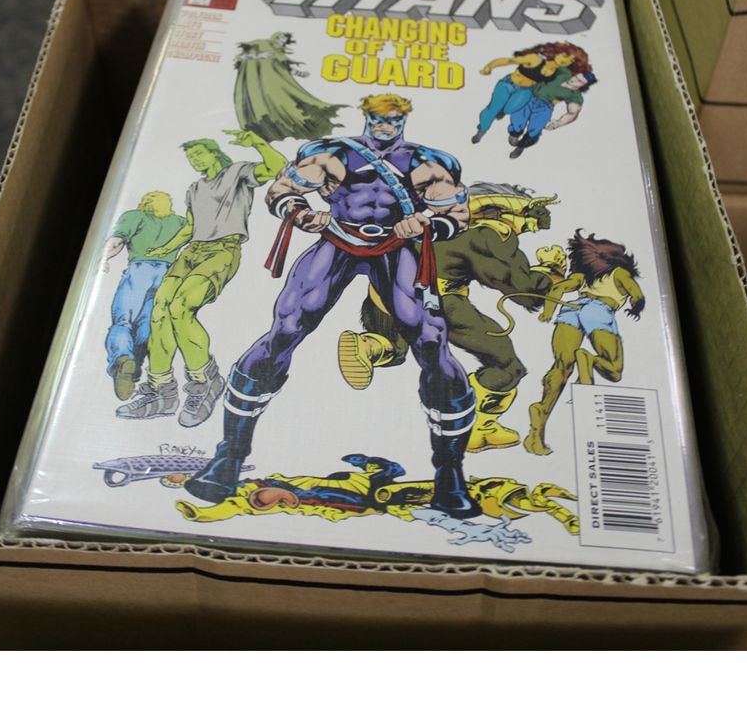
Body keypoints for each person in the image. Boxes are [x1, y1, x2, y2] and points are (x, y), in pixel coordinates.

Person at [183, 94, 482, 519]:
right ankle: (228, 457)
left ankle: (450, 474)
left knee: (432, 342)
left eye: (393, 119)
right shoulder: (333, 154)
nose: (384, 125)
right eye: (378, 118)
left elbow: (458, 214)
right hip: (338, 242)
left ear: (403, 120)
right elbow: (282, 191)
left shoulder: (427, 163)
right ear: (367, 117)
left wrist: (428, 222)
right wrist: (303, 214)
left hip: (393, 249)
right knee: (284, 331)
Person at [336, 184, 559, 454]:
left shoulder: (437, 223)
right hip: (437, 301)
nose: (529, 229)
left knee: (395, 343)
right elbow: (522, 290)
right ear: (505, 210)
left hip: (385, 293)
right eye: (529, 221)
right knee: (506, 366)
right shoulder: (492, 233)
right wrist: (551, 272)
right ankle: (477, 428)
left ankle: (372, 345)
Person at [116, 129, 287, 428]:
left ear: (213, 152)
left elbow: (277, 167)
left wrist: (258, 143)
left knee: (181, 307)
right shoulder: (195, 188)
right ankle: (162, 390)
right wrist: (165, 249)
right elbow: (190, 227)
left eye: (198, 153)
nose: (194, 160)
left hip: (222, 251)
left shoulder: (237, 173)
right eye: (190, 156)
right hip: (192, 251)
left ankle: (205, 381)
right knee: (160, 309)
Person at [526, 230, 645, 456]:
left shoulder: (583, 276)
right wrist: (636, 307)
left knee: (561, 366)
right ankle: (587, 359)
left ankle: (539, 420)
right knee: (614, 369)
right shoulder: (619, 273)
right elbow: (636, 295)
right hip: (598, 311)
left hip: (572, 310)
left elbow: (559, 288)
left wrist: (547, 313)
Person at [101, 191, 188, 401]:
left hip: (140, 271)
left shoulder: (135, 217)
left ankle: (123, 358)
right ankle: (135, 366)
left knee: (123, 321)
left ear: (145, 203)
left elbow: (117, 242)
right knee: (148, 324)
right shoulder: (178, 222)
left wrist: (102, 258)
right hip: (167, 275)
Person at [233, 32, 347, 143]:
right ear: (275, 37)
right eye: (280, 39)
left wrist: (298, 72)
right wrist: (260, 55)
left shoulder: (277, 52)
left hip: (276, 83)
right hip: (258, 83)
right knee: (270, 103)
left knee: (284, 102)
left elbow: (282, 66)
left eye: (284, 41)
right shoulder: (261, 44)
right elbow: (243, 56)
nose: (281, 42)